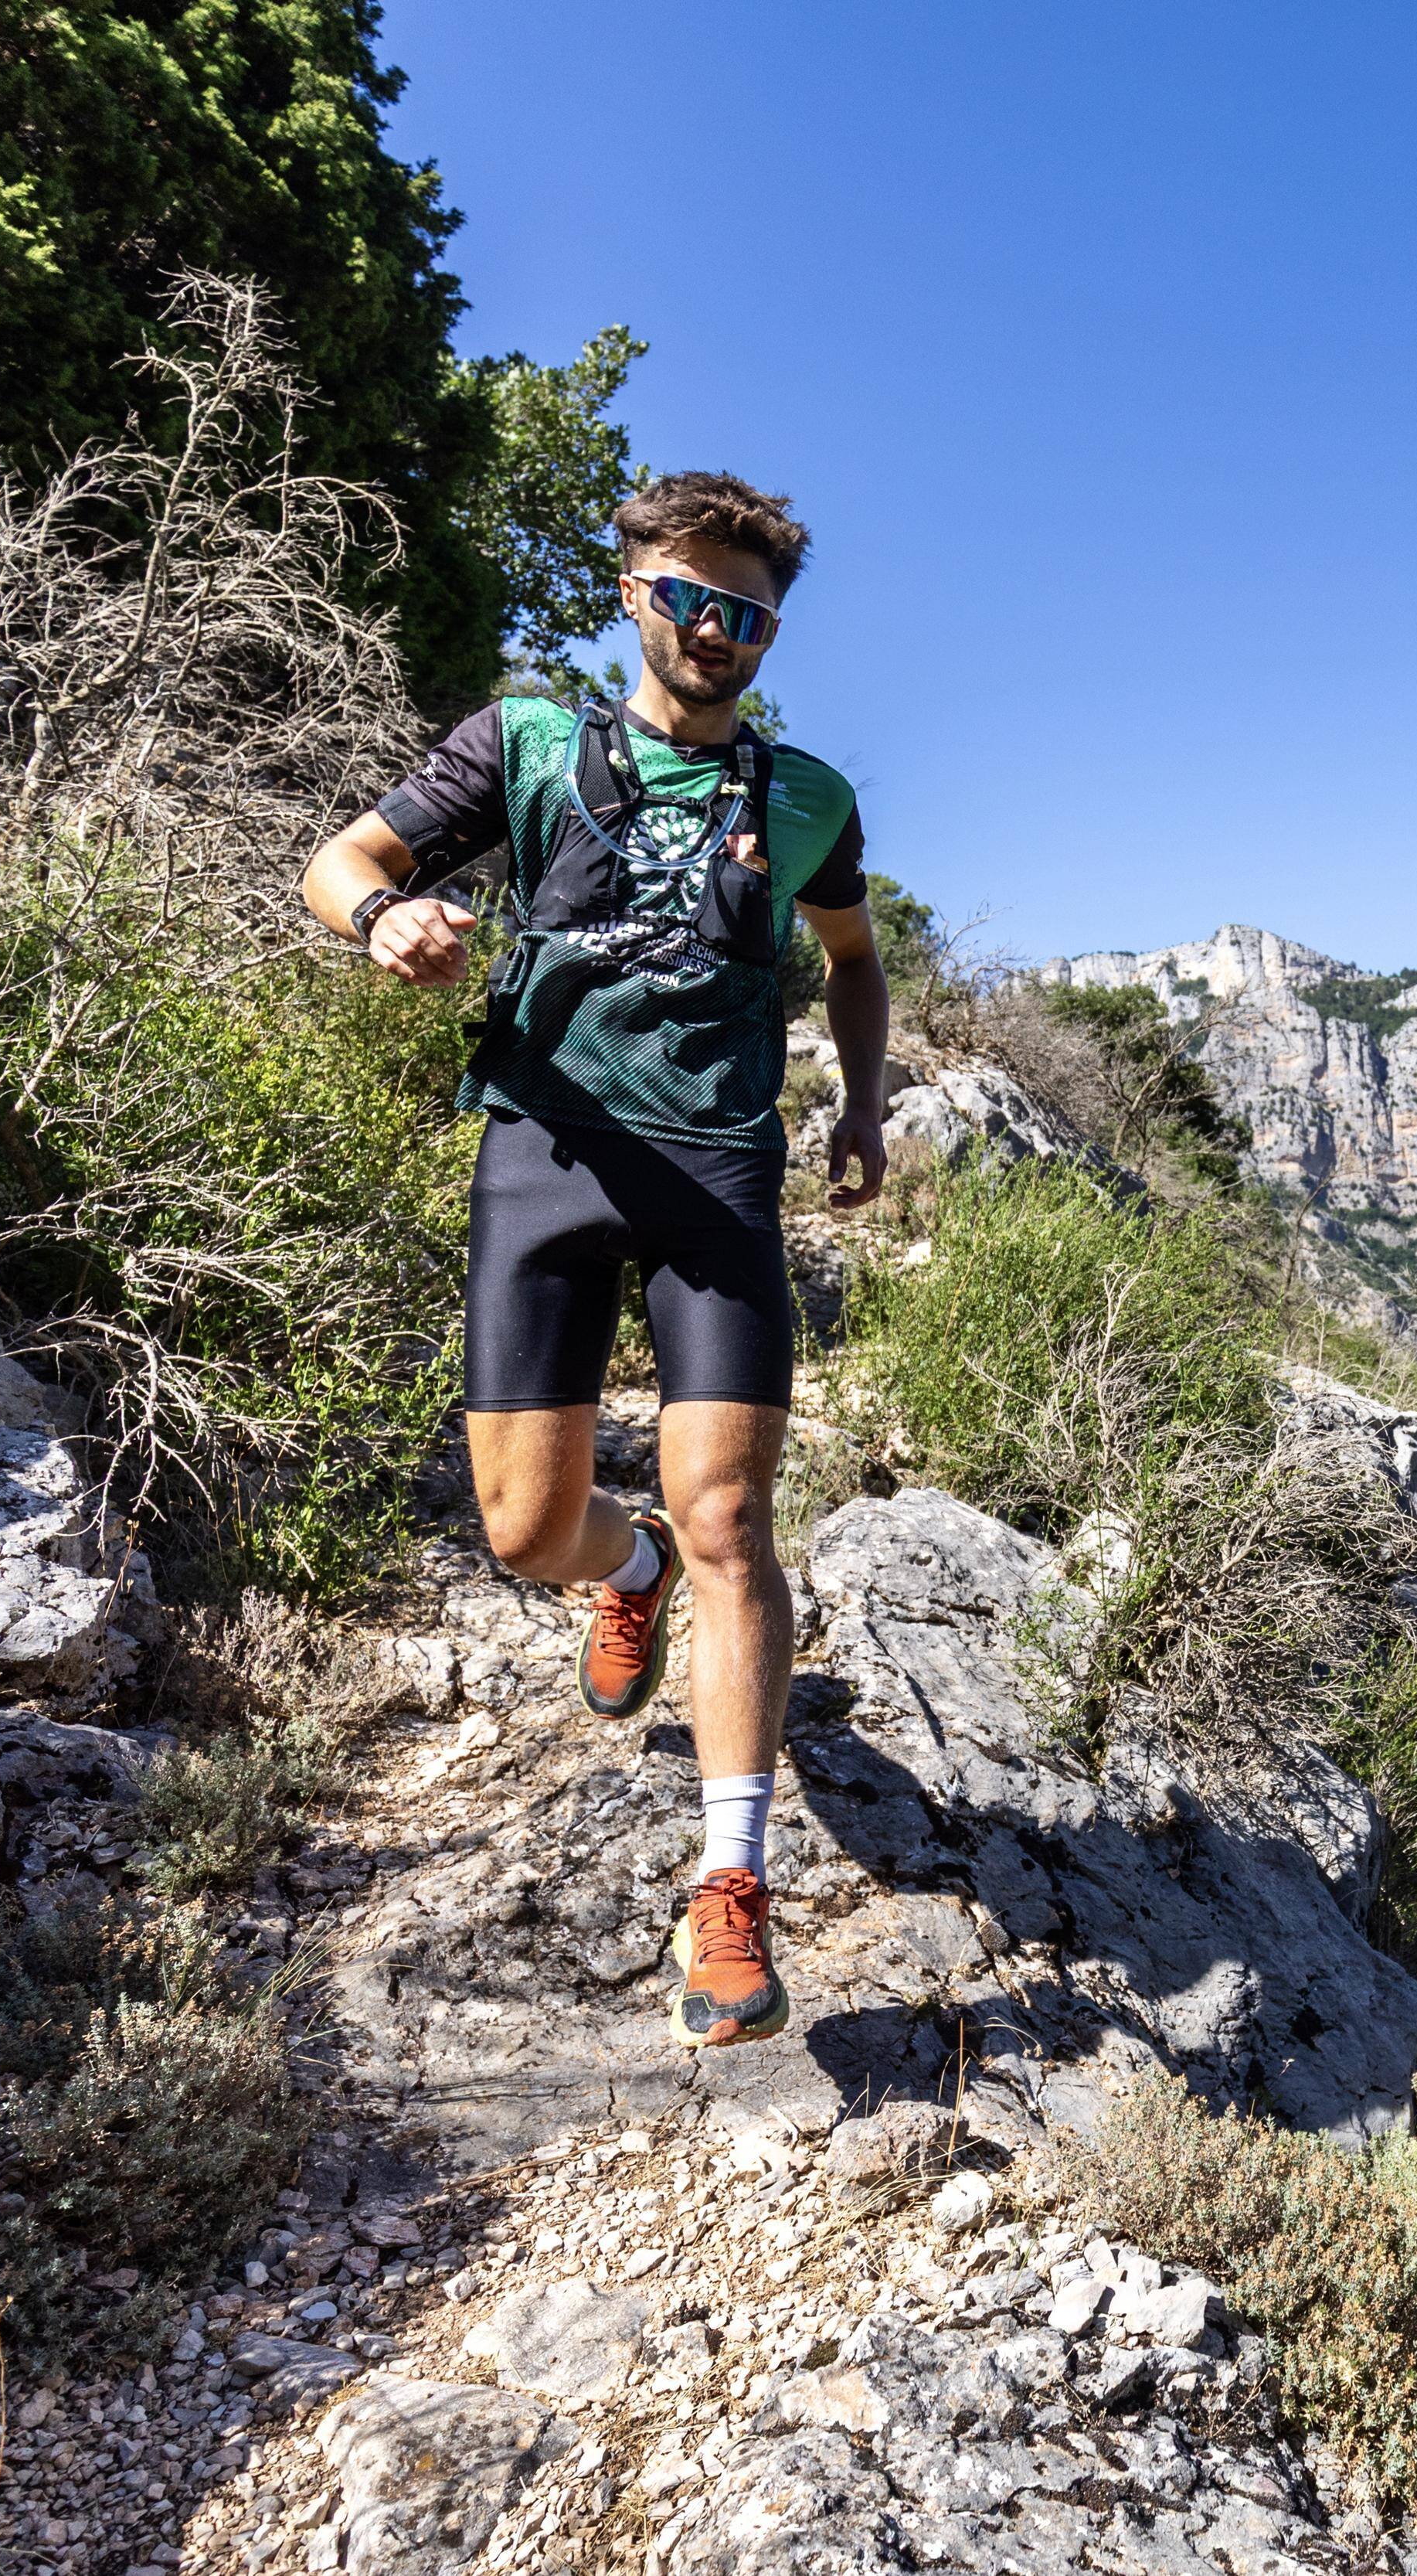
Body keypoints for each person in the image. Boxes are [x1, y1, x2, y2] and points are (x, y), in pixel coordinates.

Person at [299, 471, 891, 2050]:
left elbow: (851, 956)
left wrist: (862, 1103)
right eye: (689, 599)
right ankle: (624, 1573)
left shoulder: (810, 796)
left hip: (718, 1173)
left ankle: (730, 1885)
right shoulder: (527, 744)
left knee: (732, 1516)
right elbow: (344, 857)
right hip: (545, 1153)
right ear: (635, 594)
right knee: (524, 1527)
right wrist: (384, 920)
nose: (717, 632)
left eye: (747, 613)